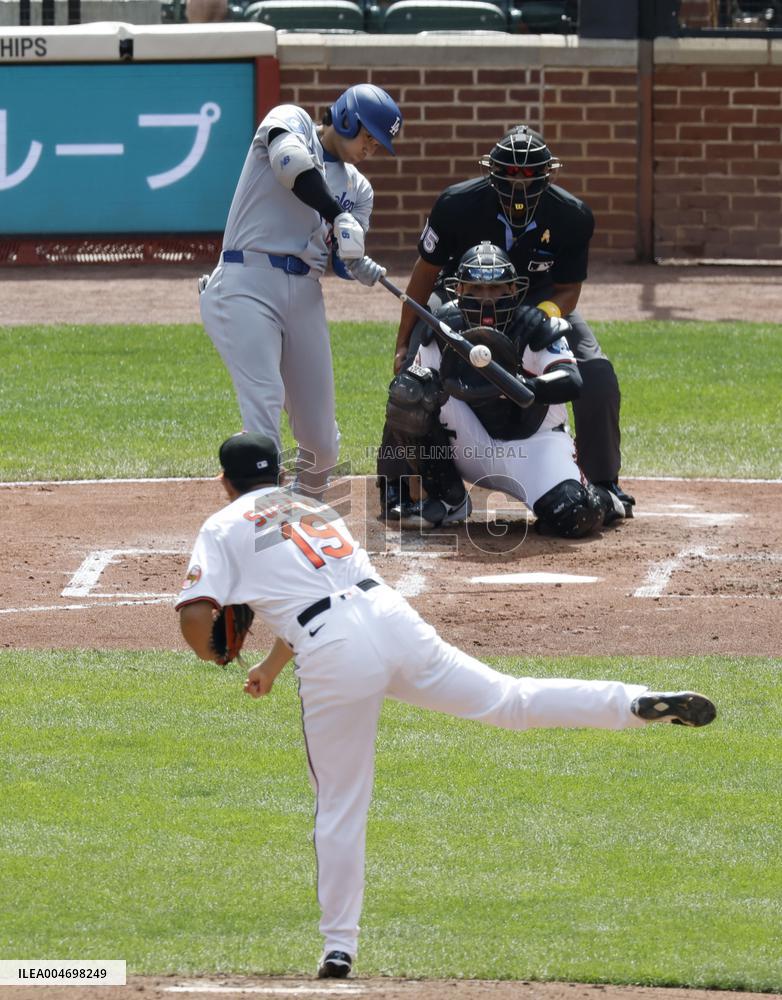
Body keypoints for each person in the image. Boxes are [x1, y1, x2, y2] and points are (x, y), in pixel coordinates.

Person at [176, 431, 717, 979]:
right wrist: (270, 666)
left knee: (340, 803)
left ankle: (339, 946)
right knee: (509, 699)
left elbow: (198, 621)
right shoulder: (311, 507)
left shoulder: (221, 527)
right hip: (391, 619)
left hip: (334, 653)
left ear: (224, 480)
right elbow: (319, 589)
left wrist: (216, 654)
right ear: (275, 477)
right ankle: (631, 701)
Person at [379, 123, 633, 518]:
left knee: (597, 374)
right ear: (490, 172)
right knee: (411, 382)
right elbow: (424, 276)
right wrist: (403, 343)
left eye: (530, 175)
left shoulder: (572, 216)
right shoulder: (455, 205)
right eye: (510, 175)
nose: (519, 185)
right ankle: (401, 485)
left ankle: (603, 482)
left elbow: (569, 289)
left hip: (537, 301)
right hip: (462, 298)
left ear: (549, 174)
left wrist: (544, 315)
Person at [199, 84, 400, 496]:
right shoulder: (291, 120)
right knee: (265, 403)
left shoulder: (360, 189)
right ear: (346, 118)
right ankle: (259, 522)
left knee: (322, 445)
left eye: (379, 144)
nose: (371, 149)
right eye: (368, 137)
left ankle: (300, 515)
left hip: (305, 292)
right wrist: (336, 214)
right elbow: (290, 165)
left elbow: (342, 254)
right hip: (246, 279)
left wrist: (355, 263)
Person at [383, 242, 629, 535]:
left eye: (497, 289)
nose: (487, 300)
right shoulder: (441, 329)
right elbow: (410, 400)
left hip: (534, 446)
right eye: (475, 290)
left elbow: (571, 380)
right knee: (409, 392)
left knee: (575, 515)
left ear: (514, 290)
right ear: (458, 291)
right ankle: (447, 499)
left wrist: (523, 386)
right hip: (467, 443)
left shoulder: (537, 327)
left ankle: (605, 498)